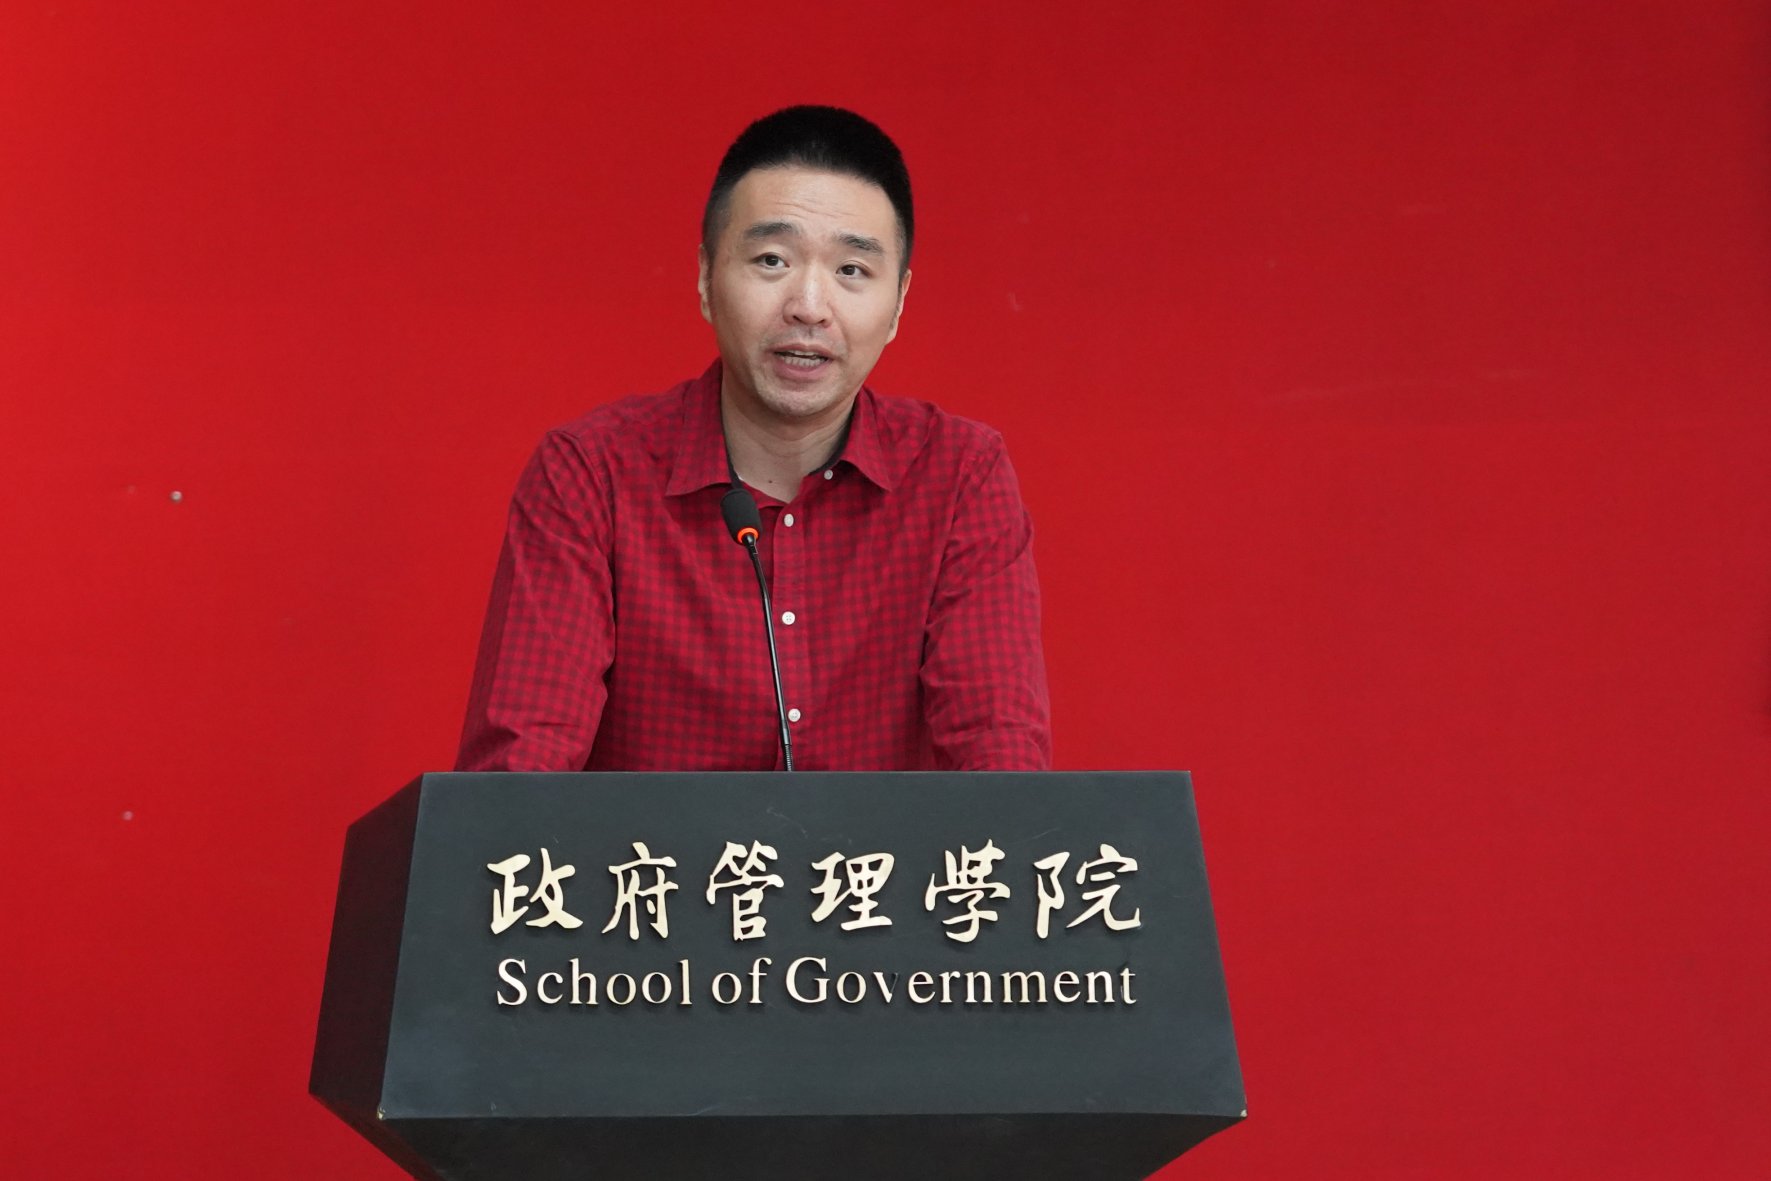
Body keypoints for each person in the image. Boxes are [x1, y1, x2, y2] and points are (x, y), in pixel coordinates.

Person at [455, 105, 1049, 773]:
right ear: (707, 278)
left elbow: (1000, 764)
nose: (809, 306)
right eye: (772, 260)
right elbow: (516, 779)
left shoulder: (958, 475)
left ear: (899, 304)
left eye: (852, 270)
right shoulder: (590, 475)